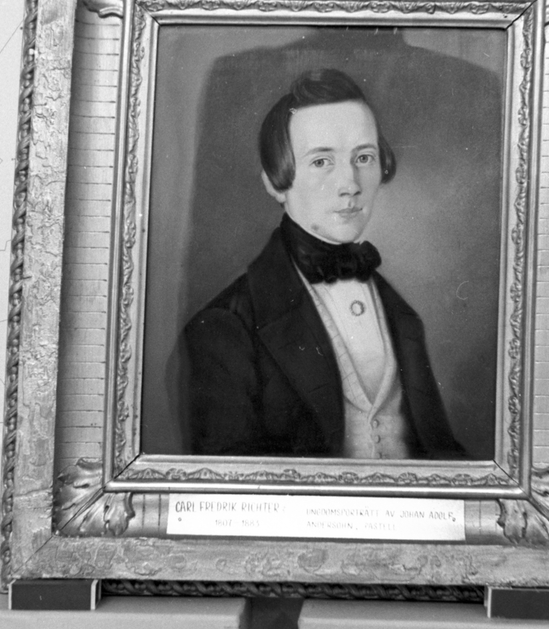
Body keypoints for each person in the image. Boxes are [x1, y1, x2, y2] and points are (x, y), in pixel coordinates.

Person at [182, 69, 464, 460]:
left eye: (363, 157)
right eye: (321, 162)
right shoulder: (226, 327)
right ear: (276, 182)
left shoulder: (403, 316)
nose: (350, 184)